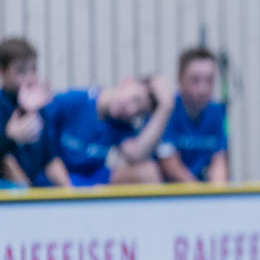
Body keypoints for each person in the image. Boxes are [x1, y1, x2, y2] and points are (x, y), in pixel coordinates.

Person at [44, 75, 175, 186]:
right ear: (127, 81)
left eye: (139, 112)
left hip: (90, 181)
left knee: (148, 172)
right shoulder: (72, 101)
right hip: (56, 179)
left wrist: (165, 108)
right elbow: (45, 153)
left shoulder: (120, 124)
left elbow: (136, 154)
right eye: (135, 99)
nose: (131, 110)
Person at [0, 37, 70, 188]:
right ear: (2, 72)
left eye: (33, 69)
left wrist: (70, 190)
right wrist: (9, 137)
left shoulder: (38, 108)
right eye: (20, 71)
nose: (30, 78)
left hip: (29, 184)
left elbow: (50, 158)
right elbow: (7, 163)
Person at [157, 47, 229, 183]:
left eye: (209, 80)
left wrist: (218, 195)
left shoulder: (217, 111)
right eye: (195, 80)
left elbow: (219, 160)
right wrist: (199, 195)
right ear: (180, 79)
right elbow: (169, 163)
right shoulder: (169, 111)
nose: (203, 89)